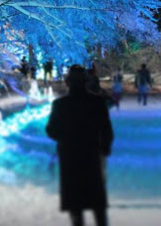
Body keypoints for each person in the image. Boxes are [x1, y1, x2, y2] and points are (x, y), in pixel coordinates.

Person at [46, 65, 113, 226]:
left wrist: (65, 137)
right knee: (96, 199)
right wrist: (104, 148)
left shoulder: (60, 105)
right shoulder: (97, 103)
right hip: (91, 153)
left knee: (74, 202)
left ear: (68, 83)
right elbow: (106, 129)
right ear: (86, 82)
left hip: (69, 155)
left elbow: (51, 130)